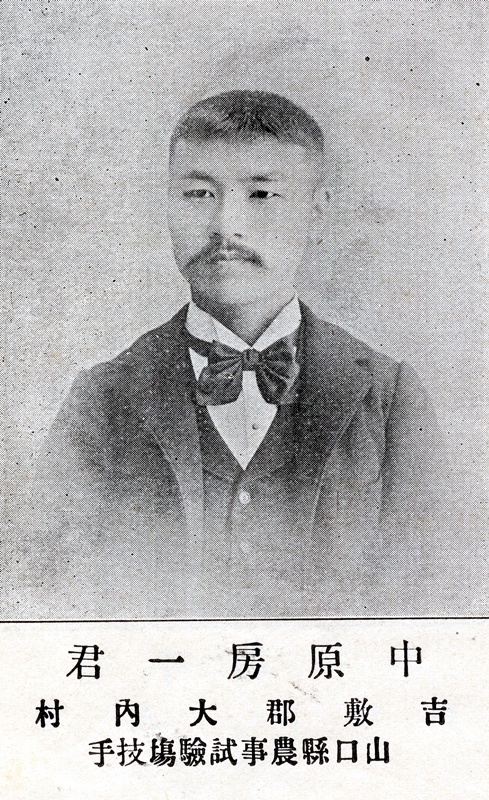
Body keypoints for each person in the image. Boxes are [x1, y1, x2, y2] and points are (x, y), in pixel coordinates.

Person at [34, 90, 450, 618]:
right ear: (167, 206)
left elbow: (432, 599)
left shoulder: (390, 400)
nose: (225, 225)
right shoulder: (103, 399)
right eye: (199, 194)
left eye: (260, 194)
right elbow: (48, 597)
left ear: (317, 213)